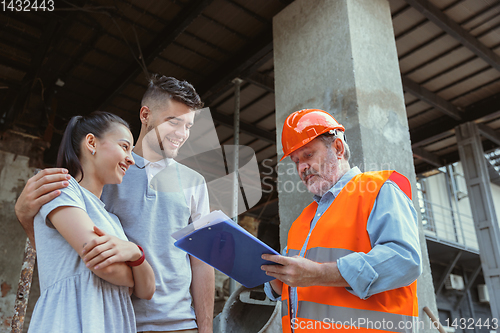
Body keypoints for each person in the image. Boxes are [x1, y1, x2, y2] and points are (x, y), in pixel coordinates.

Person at [16, 75, 215, 333]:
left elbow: (202, 261)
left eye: (188, 126)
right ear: (145, 115)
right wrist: (23, 215)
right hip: (115, 320)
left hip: (179, 324)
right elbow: (64, 248)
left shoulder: (195, 182)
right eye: (173, 122)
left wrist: (206, 329)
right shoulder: (107, 171)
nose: (182, 133)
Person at [261, 109, 422, 332]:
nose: (301, 168)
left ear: (337, 148)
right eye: (295, 161)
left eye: (308, 155)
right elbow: (294, 287)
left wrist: (319, 274)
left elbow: (405, 260)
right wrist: (270, 273)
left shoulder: (378, 189)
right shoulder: (303, 221)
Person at [29, 111, 156, 333]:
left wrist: (135, 253)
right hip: (68, 322)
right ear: (91, 142)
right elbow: (101, 264)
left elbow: (148, 290)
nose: (131, 159)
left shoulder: (113, 220)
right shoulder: (63, 189)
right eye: (125, 146)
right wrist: (136, 272)